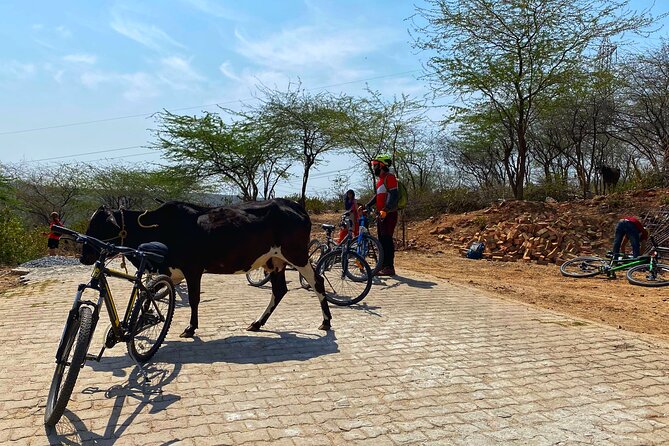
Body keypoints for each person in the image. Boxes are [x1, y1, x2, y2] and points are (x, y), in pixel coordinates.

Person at [365, 154, 399, 276]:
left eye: (375, 165)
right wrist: (367, 205)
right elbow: (377, 196)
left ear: (382, 165)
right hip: (382, 215)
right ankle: (383, 266)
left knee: (386, 240)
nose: (374, 168)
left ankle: (389, 267)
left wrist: (386, 209)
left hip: (389, 214)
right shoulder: (380, 181)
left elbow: (393, 194)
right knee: (381, 241)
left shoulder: (389, 177)